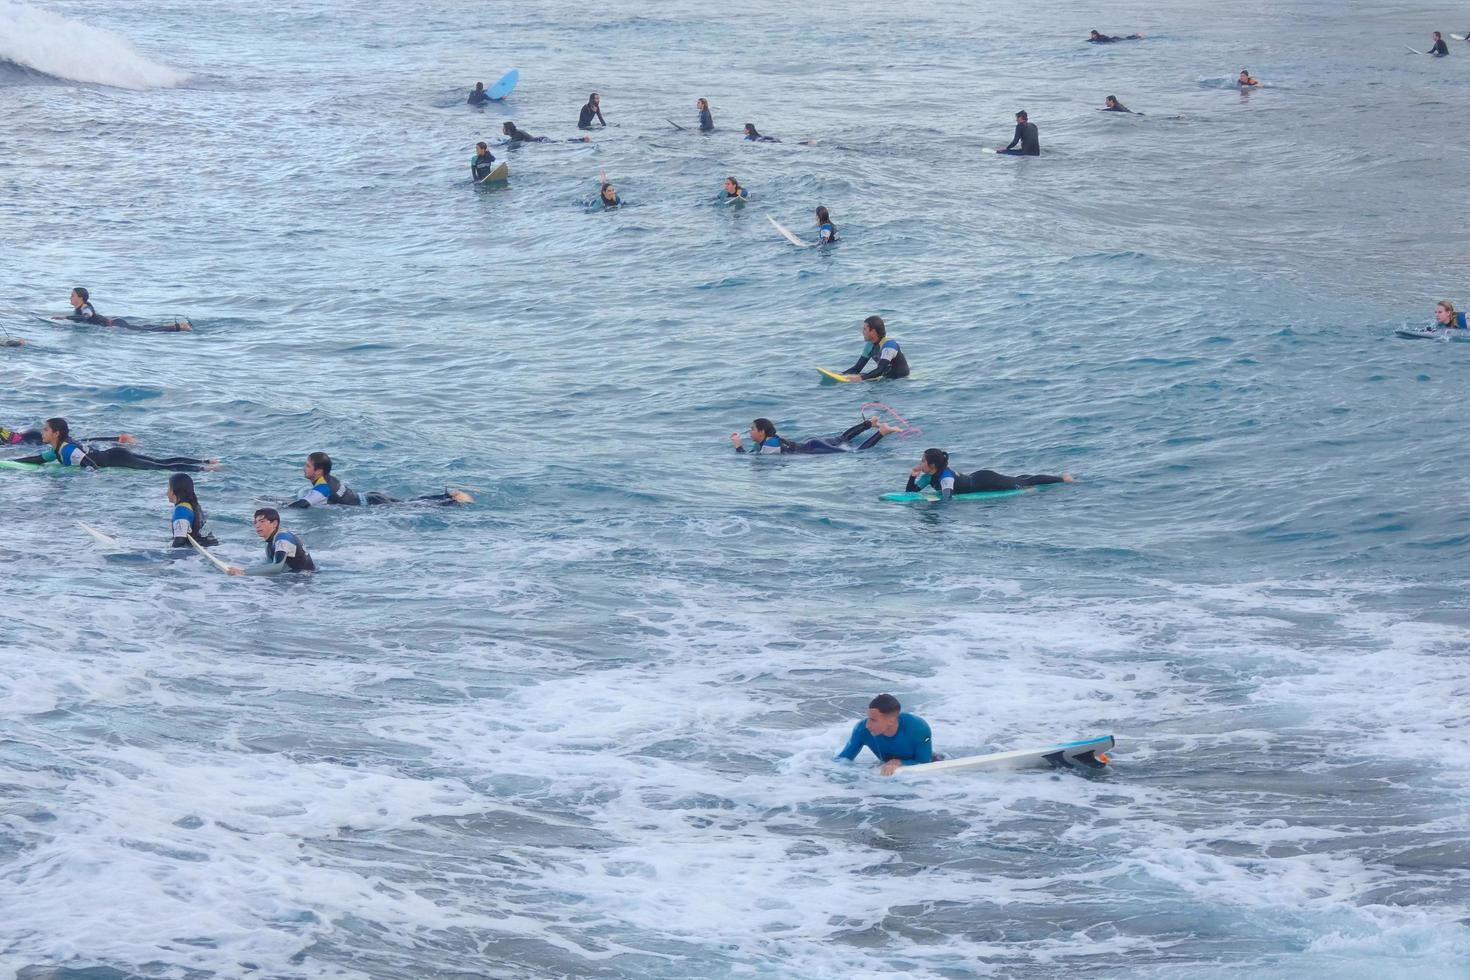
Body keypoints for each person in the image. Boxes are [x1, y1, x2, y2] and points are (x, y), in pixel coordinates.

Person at [14, 417, 217, 471]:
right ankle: (206, 461)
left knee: (158, 466)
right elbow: (37, 459)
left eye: (46, 430)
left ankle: (202, 467)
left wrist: (92, 478)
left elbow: (89, 465)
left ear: (56, 433)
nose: (42, 433)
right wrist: (11, 462)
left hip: (116, 458)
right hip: (113, 454)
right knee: (159, 462)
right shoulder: (57, 449)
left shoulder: (67, 449)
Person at [287, 451, 473, 508]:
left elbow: (304, 504)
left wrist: (283, 508)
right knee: (409, 502)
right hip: (371, 497)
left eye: (308, 465)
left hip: (372, 503)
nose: (304, 468)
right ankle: (450, 497)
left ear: (318, 471)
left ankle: (452, 499)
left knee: (412, 505)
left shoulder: (322, 488)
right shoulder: (327, 479)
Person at [906, 448, 1073, 502]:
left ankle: (1063, 479)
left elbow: (947, 499)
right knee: (1019, 479)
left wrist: (930, 503)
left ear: (932, 465)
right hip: (977, 477)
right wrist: (912, 476)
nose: (920, 464)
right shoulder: (928, 476)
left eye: (922, 461)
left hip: (985, 480)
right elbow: (911, 493)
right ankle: (1057, 478)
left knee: (1023, 482)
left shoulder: (946, 478)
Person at [835, 693, 934, 776]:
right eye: (868, 718)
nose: (867, 725)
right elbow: (843, 760)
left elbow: (925, 763)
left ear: (891, 721)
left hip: (922, 776)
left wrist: (900, 762)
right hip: (886, 774)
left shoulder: (919, 729)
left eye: (873, 720)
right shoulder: (861, 730)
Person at [731, 416, 900, 455]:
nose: (750, 431)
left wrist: (738, 445)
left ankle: (881, 432)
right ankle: (869, 423)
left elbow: (754, 459)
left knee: (853, 452)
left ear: (762, 432)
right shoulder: (770, 441)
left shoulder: (770, 445)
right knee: (842, 438)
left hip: (813, 448)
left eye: (752, 428)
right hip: (811, 443)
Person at [53, 287, 191, 332]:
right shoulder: (80, 308)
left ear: (81, 298)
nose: (70, 298)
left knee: (148, 330)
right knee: (146, 327)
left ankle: (181, 327)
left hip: (116, 325)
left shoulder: (85, 307)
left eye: (72, 295)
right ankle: (178, 326)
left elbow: (87, 317)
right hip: (114, 323)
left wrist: (65, 318)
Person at [226, 508, 315, 576]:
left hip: (304, 579)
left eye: (262, 522)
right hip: (294, 576)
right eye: (255, 522)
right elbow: (270, 565)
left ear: (274, 524)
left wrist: (243, 572)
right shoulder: (270, 541)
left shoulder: (283, 539)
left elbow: (276, 567)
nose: (257, 526)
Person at [843, 315, 909, 381]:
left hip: (900, 379)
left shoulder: (889, 345)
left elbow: (880, 370)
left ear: (873, 331)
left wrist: (861, 378)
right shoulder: (869, 346)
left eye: (865, 329)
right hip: (886, 377)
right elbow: (857, 368)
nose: (862, 332)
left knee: (863, 377)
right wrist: (841, 375)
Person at [168, 473, 217, 548]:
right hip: (209, 547)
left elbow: (180, 541)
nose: (167, 493)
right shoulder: (195, 506)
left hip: (194, 552)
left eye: (169, 488)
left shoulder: (182, 511)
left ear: (174, 491)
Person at [3, 423, 133, 446]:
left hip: (31, 439)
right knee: (75, 441)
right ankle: (117, 438)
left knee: (75, 443)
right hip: (28, 435)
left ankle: (119, 438)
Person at [502, 121, 591, 144]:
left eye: (503, 128)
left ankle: (582, 140)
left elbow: (511, 144)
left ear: (508, 130)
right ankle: (582, 139)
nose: (502, 130)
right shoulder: (517, 133)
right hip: (540, 139)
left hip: (540, 141)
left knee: (561, 142)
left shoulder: (516, 135)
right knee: (560, 141)